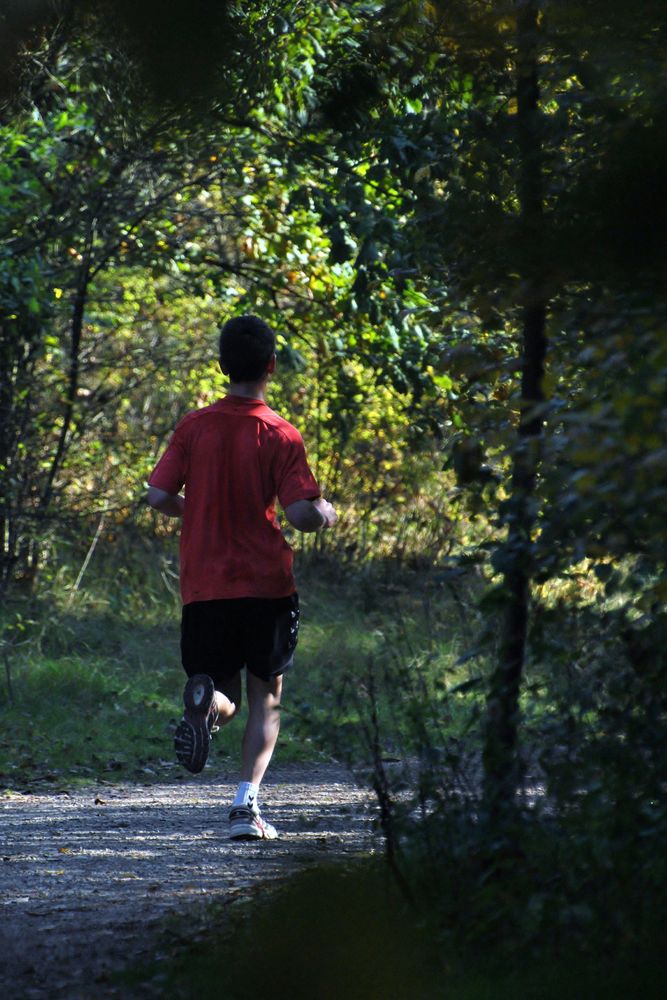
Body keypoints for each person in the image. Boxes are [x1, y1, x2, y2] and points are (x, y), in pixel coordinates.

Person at [147, 315, 337, 840]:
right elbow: (300, 515)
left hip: (204, 586)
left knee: (222, 692)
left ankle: (208, 703)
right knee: (266, 696)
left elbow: (159, 497)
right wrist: (326, 512)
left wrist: (198, 507)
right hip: (266, 587)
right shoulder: (279, 433)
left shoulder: (194, 427)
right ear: (271, 367)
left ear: (222, 366)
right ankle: (245, 809)